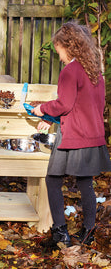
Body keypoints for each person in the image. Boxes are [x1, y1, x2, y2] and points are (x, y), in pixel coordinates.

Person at [31, 21, 111, 248]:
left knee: (53, 180)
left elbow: (64, 104)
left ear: (70, 47)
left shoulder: (70, 71)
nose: (60, 56)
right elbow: (87, 105)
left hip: (73, 137)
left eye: (59, 51)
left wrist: (42, 109)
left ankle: (60, 232)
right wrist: (50, 119)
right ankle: (88, 231)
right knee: (85, 183)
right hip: (92, 136)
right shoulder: (94, 71)